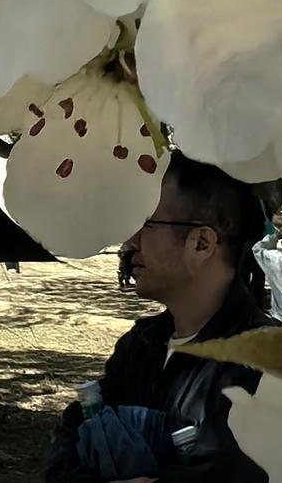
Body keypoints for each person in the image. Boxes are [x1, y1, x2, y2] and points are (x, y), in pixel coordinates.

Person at [45, 152, 269, 482]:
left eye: (145, 224)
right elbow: (67, 441)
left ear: (201, 243)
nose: (129, 242)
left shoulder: (263, 366)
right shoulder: (139, 346)